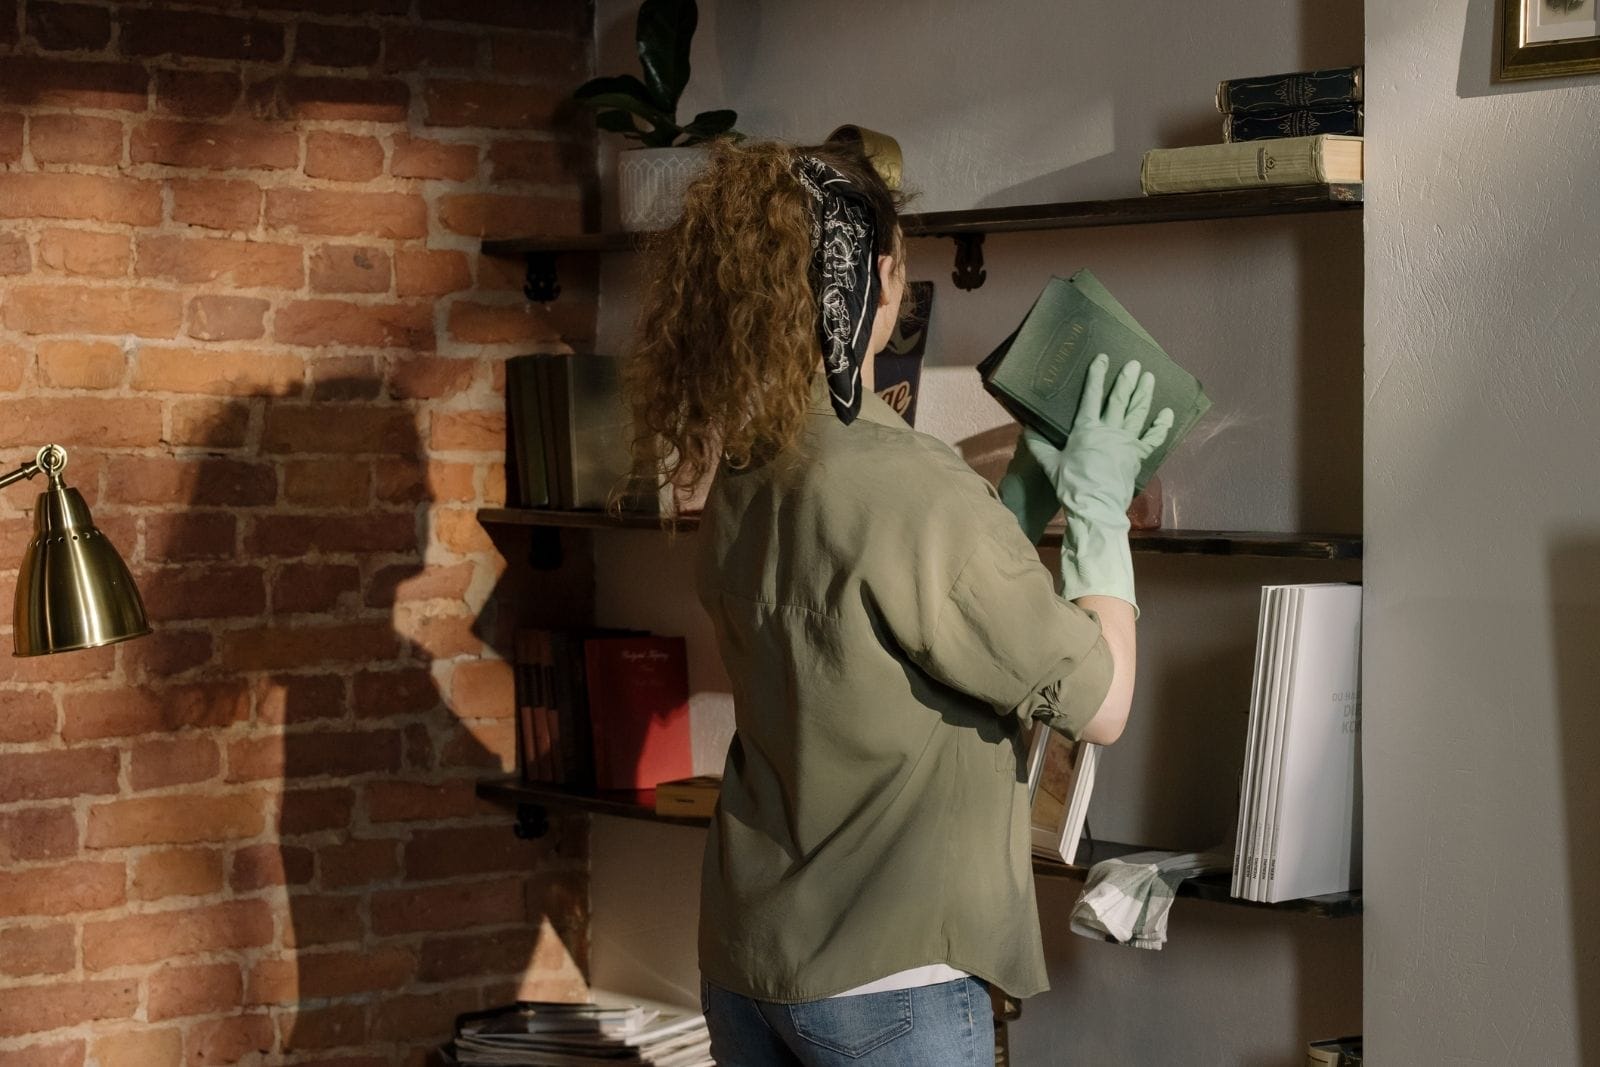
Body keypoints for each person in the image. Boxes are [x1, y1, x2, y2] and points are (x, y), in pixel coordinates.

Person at [624, 138, 1172, 1067]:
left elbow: (890, 624)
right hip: (888, 984)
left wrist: (1019, 505)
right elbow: (1105, 700)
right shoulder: (913, 487)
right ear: (884, 278)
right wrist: (1096, 507)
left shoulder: (745, 474)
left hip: (749, 962)